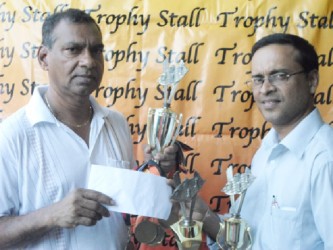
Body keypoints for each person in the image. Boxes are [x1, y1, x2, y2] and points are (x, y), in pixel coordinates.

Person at [0, 8, 179, 249]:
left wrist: (154, 171)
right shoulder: (11, 136)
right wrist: (51, 216)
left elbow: (121, 213)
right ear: (44, 57)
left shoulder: (116, 124)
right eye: (73, 50)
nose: (88, 61)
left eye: (97, 51)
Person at [196, 33, 333, 249]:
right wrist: (201, 214)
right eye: (258, 79)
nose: (266, 88)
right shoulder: (267, 151)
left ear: (311, 80)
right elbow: (249, 239)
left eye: (279, 75)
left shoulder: (325, 158)